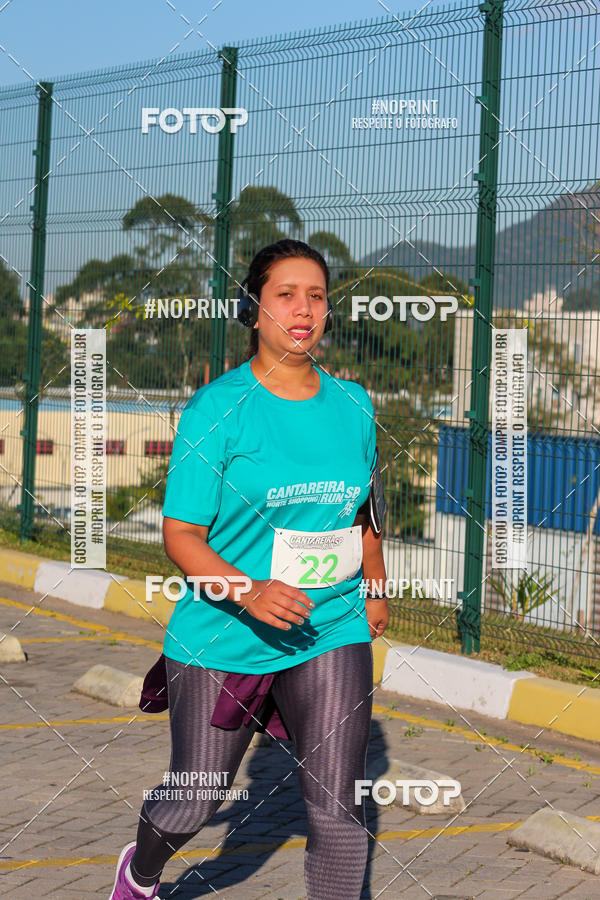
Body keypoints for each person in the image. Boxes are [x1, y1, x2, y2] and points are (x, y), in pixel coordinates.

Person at [109, 238, 389, 900]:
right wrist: (250, 591)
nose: (303, 309)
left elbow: (365, 512)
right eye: (286, 295)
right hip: (225, 632)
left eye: (316, 296)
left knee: (339, 805)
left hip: (330, 624)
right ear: (254, 309)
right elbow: (181, 536)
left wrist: (375, 587)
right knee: (195, 799)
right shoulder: (217, 409)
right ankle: (140, 873)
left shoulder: (355, 405)